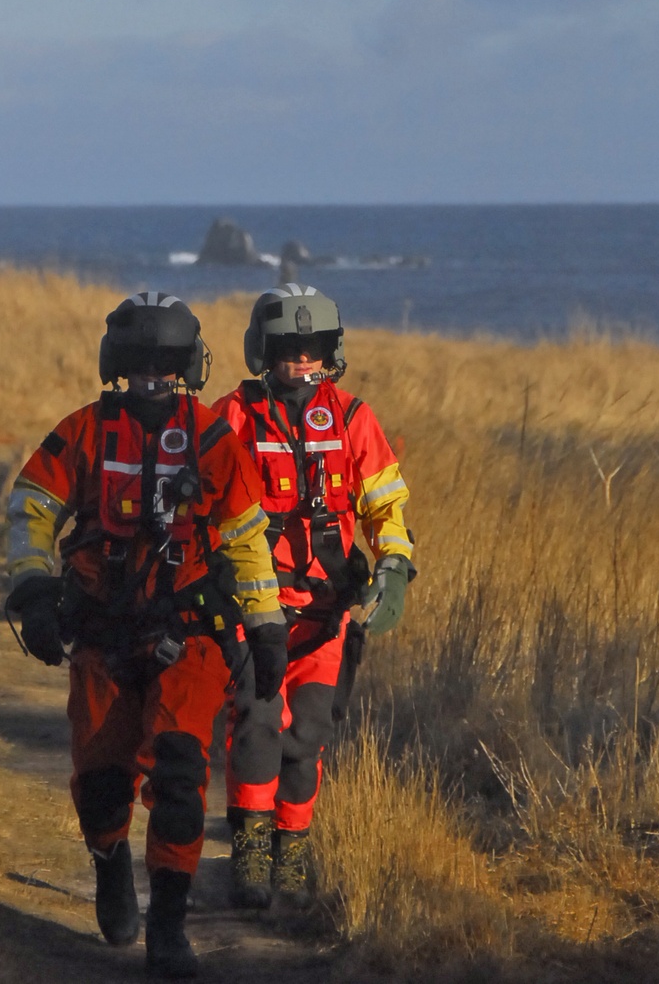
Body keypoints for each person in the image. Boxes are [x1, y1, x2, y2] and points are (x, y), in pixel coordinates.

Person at [4, 292, 287, 978]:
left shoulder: (214, 437)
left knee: (182, 774)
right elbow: (32, 506)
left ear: (185, 368)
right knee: (102, 783)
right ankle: (109, 866)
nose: (153, 380)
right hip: (101, 633)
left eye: (165, 367)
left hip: (188, 636)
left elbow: (247, 541)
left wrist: (266, 625)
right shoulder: (85, 432)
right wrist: (36, 589)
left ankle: (168, 924)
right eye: (142, 367)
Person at [211, 283, 415, 909]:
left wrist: (395, 564)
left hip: (326, 616)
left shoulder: (353, 418)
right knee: (257, 725)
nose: (302, 362)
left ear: (334, 352)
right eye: (289, 350)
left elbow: (386, 504)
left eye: (315, 349)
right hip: (255, 612)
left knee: (309, 737)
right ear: (260, 352)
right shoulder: (232, 416)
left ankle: (291, 857)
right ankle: (247, 851)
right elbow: (204, 502)